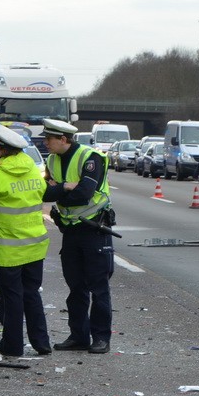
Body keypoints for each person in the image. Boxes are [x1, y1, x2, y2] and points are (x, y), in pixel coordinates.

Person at [0, 125, 52, 357]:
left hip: (8, 249)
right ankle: (42, 343)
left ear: (3, 150)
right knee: (32, 293)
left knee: (12, 298)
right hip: (35, 246)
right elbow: (42, 192)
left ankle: (13, 346)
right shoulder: (33, 170)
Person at [41, 118, 114, 354]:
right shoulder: (51, 159)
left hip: (94, 230)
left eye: (49, 139)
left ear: (63, 139)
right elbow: (44, 193)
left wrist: (59, 191)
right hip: (70, 230)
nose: (45, 143)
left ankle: (101, 337)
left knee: (98, 288)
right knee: (76, 288)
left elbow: (84, 194)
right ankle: (79, 336)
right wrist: (64, 187)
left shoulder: (90, 158)